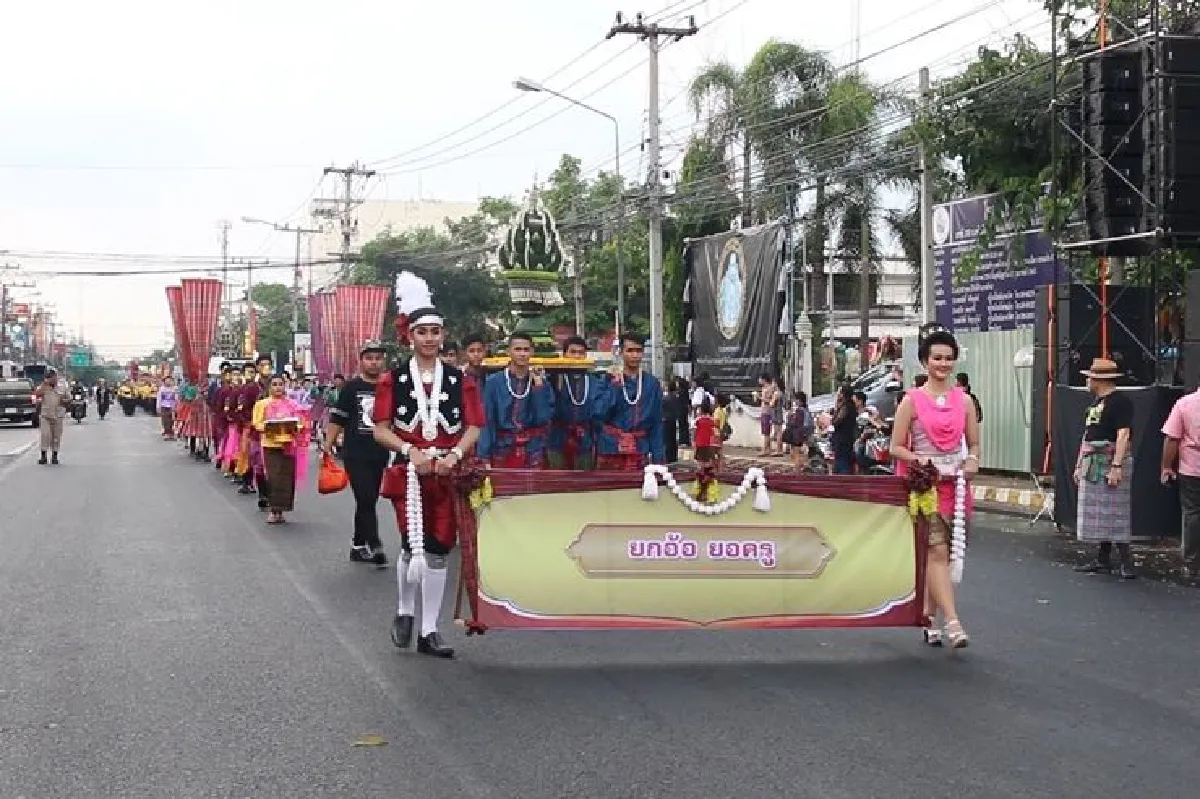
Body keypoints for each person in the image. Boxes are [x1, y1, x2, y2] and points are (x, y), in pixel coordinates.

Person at [372, 273, 483, 659]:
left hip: (447, 472)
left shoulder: (460, 380)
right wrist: (409, 451)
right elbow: (380, 429)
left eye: (436, 332)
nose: (431, 339)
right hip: (409, 473)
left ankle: (429, 629)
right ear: (411, 336)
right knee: (410, 543)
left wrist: (454, 455)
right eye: (423, 332)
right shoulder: (393, 380)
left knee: (439, 548)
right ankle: (405, 610)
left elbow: (473, 427)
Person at [890, 323, 979, 649]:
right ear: (925, 362)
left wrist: (971, 463)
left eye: (948, 358)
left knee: (943, 556)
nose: (942, 364)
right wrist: (921, 462)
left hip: (955, 490)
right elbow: (896, 446)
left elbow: (974, 446)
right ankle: (954, 623)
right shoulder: (910, 401)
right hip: (924, 488)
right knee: (937, 551)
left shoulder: (965, 402)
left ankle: (928, 613)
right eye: (936, 358)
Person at [324, 341, 391, 566]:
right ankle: (374, 544)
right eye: (369, 358)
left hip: (380, 452)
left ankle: (357, 545)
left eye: (378, 358)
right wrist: (327, 444)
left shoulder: (390, 386)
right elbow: (337, 418)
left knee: (367, 500)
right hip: (355, 452)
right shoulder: (351, 388)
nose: (374, 362)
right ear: (361, 360)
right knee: (365, 498)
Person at [1072, 358, 1136, 579]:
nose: (1087, 381)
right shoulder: (1094, 404)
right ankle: (1103, 558)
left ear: (1098, 380)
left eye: (1089, 377)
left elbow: (1123, 434)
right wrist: (1079, 463)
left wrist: (1117, 465)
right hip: (1093, 458)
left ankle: (1127, 561)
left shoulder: (1120, 402)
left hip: (1110, 458)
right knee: (1101, 512)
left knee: (1117, 510)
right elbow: (1087, 435)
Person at [478, 332, 555, 468]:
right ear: (509, 351)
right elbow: (487, 420)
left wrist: (538, 387)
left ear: (532, 352)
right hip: (503, 447)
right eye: (518, 349)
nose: (522, 354)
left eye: (526, 349)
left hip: (533, 448)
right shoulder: (494, 382)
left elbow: (543, 418)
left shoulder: (540, 382)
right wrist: (484, 455)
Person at [594, 333, 664, 470]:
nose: (635, 355)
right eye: (630, 350)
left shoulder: (651, 383)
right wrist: (614, 387)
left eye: (638, 351)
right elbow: (599, 413)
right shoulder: (607, 380)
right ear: (621, 352)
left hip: (640, 449)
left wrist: (658, 459)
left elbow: (656, 422)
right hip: (611, 449)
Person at [253, 374, 305, 524]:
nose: (278, 387)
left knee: (286, 479)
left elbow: (301, 422)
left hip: (288, 445)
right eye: (274, 384)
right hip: (270, 444)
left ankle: (281, 510)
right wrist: (269, 426)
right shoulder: (262, 404)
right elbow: (257, 423)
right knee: (274, 477)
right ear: (269, 387)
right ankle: (273, 509)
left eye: (280, 384)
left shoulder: (292, 404)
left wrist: (295, 426)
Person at [1162, 386, 1200, 580]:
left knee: (1192, 514)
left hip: (1192, 469)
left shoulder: (1185, 403)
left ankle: (1192, 563)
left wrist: (1166, 467)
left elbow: (1172, 438)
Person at [547, 336, 599, 470]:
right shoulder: (553, 378)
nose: (577, 356)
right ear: (564, 355)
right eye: (573, 352)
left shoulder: (595, 381)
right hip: (557, 439)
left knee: (583, 483)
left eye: (581, 353)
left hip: (585, 440)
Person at [34, 369, 69, 465]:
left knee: (56, 436)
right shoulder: (43, 386)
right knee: (45, 435)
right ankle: (43, 456)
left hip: (58, 415)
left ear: (56, 377)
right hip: (45, 415)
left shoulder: (62, 387)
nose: (52, 379)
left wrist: (65, 401)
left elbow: (69, 399)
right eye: (49, 378)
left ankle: (54, 456)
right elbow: (36, 394)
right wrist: (44, 385)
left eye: (53, 377)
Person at [830, 385, 858, 475]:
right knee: (843, 460)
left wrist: (836, 407)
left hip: (842, 438)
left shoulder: (845, 407)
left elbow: (836, 421)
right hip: (848, 437)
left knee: (842, 461)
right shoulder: (852, 405)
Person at [783, 392, 815, 472]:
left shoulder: (799, 411)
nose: (794, 401)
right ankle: (800, 466)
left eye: (796, 399)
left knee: (795, 454)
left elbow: (796, 423)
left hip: (797, 435)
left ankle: (797, 469)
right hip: (801, 434)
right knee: (794, 454)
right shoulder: (806, 410)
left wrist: (790, 417)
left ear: (800, 401)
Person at [757, 374, 781, 456]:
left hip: (767, 411)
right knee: (765, 431)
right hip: (764, 410)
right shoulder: (764, 388)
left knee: (766, 432)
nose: (759, 381)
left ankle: (765, 450)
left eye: (760, 379)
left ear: (764, 379)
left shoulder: (770, 388)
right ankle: (768, 449)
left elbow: (770, 401)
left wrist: (759, 397)